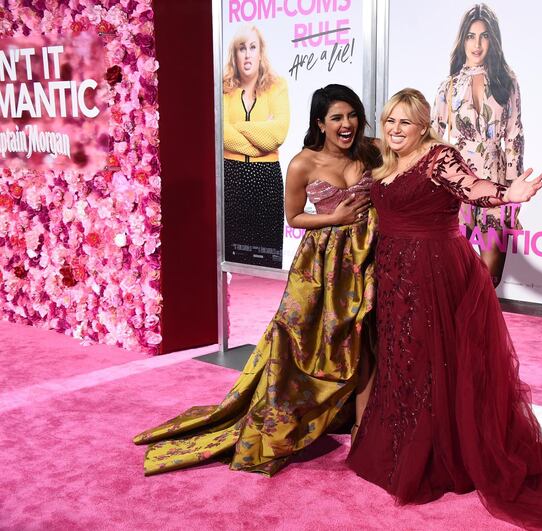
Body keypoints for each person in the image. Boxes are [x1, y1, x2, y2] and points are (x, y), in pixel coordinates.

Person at [347, 89, 542, 530]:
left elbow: (473, 188)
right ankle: (399, 443)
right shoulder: (384, 162)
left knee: (431, 357)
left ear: (424, 124)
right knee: (399, 357)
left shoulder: (439, 156)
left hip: (433, 269)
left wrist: (508, 192)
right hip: (392, 271)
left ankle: (438, 454)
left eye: (405, 122)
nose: (396, 130)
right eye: (389, 122)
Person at [134, 85, 381, 476]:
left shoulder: (373, 150)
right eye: (336, 117)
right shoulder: (303, 162)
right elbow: (295, 218)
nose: (346, 124)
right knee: (307, 342)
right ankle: (298, 410)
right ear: (320, 123)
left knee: (366, 340)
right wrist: (334, 218)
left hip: (370, 257)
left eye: (352, 115)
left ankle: (363, 424)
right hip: (323, 265)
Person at [432, 3, 523, 288]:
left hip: (495, 186)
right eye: (471, 36)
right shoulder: (448, 86)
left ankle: (480, 330)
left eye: (483, 36)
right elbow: (434, 138)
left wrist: (512, 194)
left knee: (489, 278)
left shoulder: (506, 82)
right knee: (450, 273)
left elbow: (515, 137)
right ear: (463, 40)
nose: (477, 43)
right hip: (456, 186)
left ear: (492, 40)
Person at [222, 24, 290, 268]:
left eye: (253, 47)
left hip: (266, 179)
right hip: (231, 176)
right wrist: (259, 140)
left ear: (261, 52)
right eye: (242, 48)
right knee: (232, 256)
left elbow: (278, 134)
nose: (248, 54)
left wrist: (237, 127)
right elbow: (221, 132)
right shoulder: (224, 88)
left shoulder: (276, 85)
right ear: (235, 54)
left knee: (266, 257)